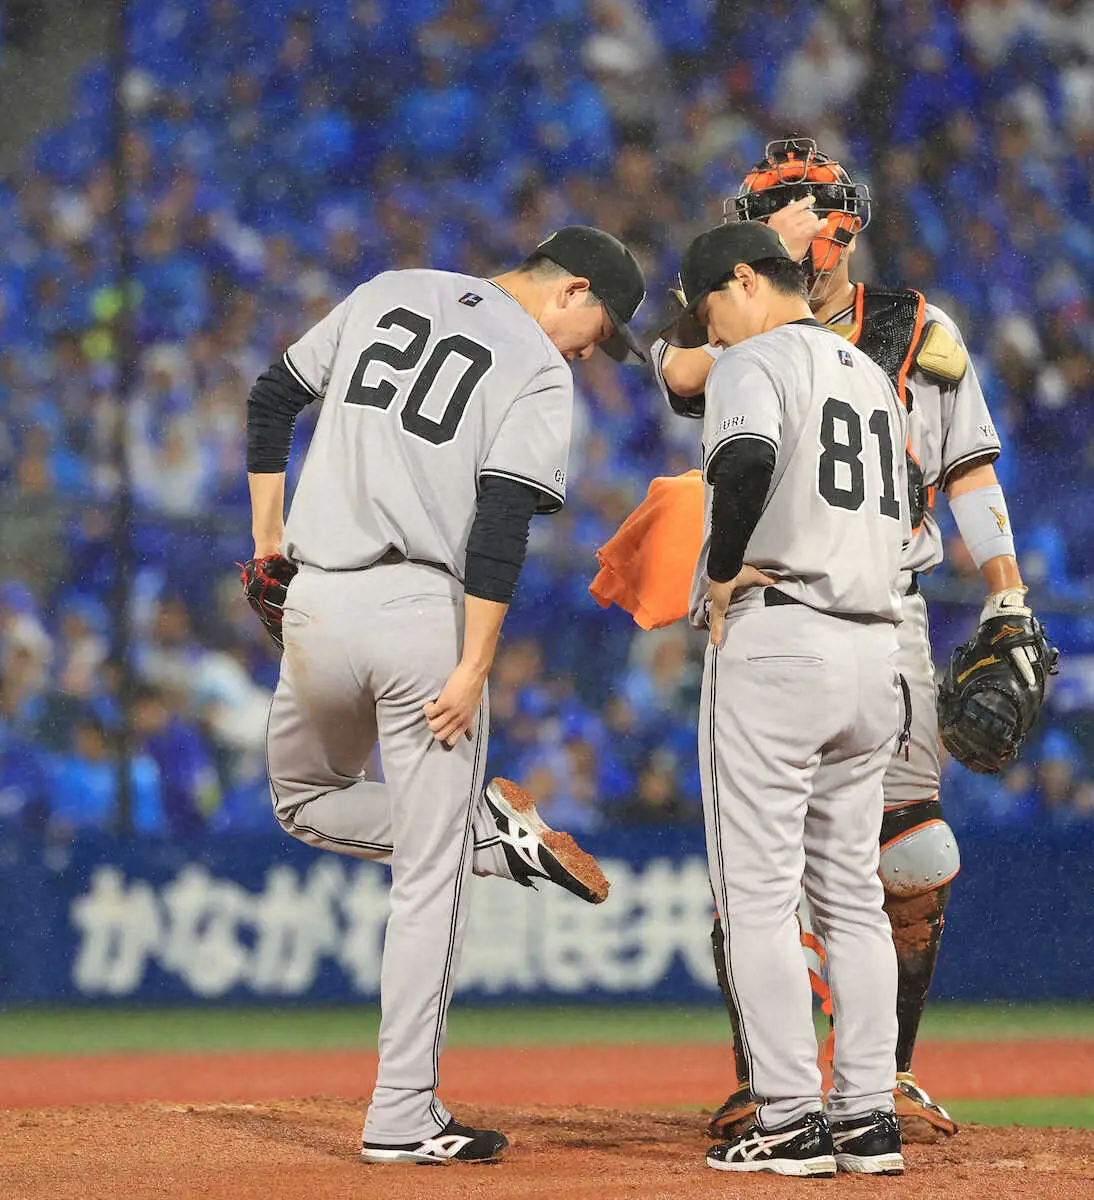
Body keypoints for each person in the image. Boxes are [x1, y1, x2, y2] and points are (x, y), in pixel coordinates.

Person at [656, 137, 1035, 1142]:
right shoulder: (738, 332)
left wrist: (1004, 594)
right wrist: (748, 279)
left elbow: (965, 472)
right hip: (845, 628)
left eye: (790, 204)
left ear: (839, 219)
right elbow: (677, 363)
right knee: (784, 881)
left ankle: (866, 1085)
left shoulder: (909, 328)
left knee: (896, 861)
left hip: (850, 608)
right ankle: (778, 1082)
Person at [243, 227, 645, 1164]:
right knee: (429, 878)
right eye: (600, 326)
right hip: (424, 609)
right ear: (572, 289)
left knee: (302, 801)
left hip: (316, 593)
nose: (593, 349)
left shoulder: (390, 287)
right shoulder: (540, 371)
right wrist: (472, 665)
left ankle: (486, 838)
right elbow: (501, 521)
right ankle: (401, 1116)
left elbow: (272, 400)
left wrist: (268, 546)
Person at [674, 220, 908, 1176]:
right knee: (852, 896)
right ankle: (865, 1114)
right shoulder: (868, 379)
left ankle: (785, 1118)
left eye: (710, 308)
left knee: (758, 893)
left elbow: (744, 463)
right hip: (874, 647)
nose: (712, 329)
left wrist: (721, 569)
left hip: (783, 636)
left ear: (743, 280)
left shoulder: (754, 358)